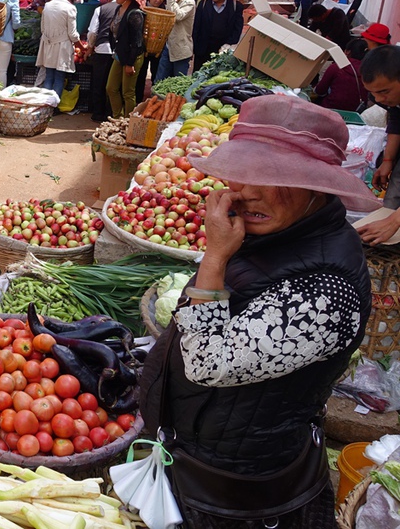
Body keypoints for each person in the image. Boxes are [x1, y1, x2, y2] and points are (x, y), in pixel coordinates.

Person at [140, 95, 376, 528]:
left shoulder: (326, 289)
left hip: (241, 490)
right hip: (203, 459)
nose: (247, 192)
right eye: (241, 173)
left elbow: (209, 364)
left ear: (318, 186)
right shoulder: (278, 233)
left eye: (271, 176)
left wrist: (214, 259)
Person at [359, 46, 400, 244]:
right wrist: (388, 161)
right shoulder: (391, 100)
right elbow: (396, 118)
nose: (379, 99)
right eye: (373, 93)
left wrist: (394, 220)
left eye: (384, 91)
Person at [105, 0, 146, 117]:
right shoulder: (119, 9)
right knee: (111, 88)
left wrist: (130, 63)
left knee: (128, 92)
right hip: (120, 54)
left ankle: (129, 123)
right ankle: (118, 118)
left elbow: (137, 42)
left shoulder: (135, 14)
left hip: (132, 57)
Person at [37, 0, 80, 100]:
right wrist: (80, 45)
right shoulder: (70, 8)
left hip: (48, 45)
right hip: (62, 47)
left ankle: (45, 105)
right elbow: (72, 34)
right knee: (59, 77)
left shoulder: (47, 6)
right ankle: (54, 105)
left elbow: (43, 29)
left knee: (49, 75)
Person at [192, 0, 244, 69]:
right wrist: (195, 48)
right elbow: (196, 28)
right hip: (203, 51)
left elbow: (237, 29)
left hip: (223, 52)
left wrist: (228, 45)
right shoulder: (203, 5)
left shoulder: (235, 7)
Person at [85, 0, 118, 122]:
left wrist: (90, 47)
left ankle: (98, 113)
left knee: (99, 83)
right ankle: (110, 113)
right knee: (113, 85)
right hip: (117, 52)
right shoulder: (125, 10)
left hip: (102, 49)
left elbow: (93, 32)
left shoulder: (101, 9)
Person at [155, 0, 196, 81]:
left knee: (177, 82)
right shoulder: (171, 0)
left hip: (181, 51)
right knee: (159, 81)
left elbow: (177, 16)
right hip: (168, 48)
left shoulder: (189, 2)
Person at [313, 38, 367, 112]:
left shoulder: (337, 67)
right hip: (355, 112)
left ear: (347, 52)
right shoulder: (369, 71)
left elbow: (320, 91)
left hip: (330, 109)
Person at [138, 0, 167, 103]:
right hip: (143, 46)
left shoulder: (164, 10)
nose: (158, 0)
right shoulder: (142, 8)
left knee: (157, 74)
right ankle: (138, 99)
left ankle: (154, 100)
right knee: (140, 74)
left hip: (158, 48)